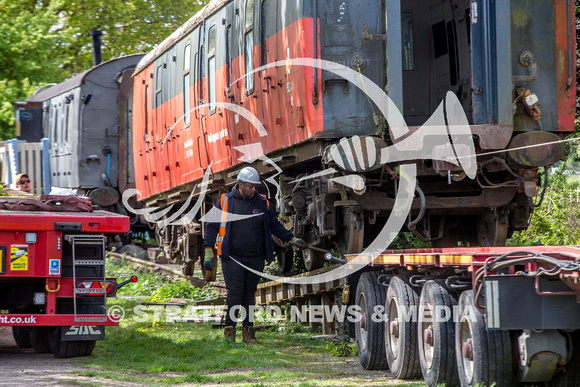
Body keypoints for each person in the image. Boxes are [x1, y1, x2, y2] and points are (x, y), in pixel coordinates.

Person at [203, 166, 307, 343]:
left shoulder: (262, 203)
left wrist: (291, 238)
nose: (254, 190)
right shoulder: (225, 201)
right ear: (241, 184)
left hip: (255, 257)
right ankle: (229, 332)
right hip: (233, 257)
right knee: (235, 293)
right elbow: (212, 225)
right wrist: (208, 249)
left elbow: (274, 225)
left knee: (249, 294)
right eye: (250, 186)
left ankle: (248, 333)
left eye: (255, 187)